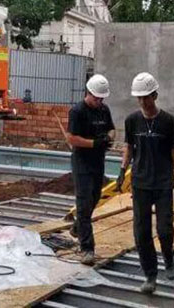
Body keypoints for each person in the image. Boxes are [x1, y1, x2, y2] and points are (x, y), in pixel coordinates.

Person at [117, 72, 174, 294]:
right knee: (141, 232)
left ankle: (169, 256)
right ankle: (150, 275)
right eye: (139, 98)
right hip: (140, 184)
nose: (142, 101)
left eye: (146, 97)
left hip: (163, 183)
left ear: (155, 95)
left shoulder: (168, 122)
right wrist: (122, 171)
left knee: (164, 229)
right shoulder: (132, 121)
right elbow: (128, 147)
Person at [65, 73, 115, 265]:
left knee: (94, 198)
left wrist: (108, 138)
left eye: (102, 98)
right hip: (82, 162)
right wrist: (94, 143)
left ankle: (78, 227)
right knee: (84, 202)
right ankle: (87, 248)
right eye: (97, 98)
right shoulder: (77, 112)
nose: (99, 101)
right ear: (88, 93)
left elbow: (112, 128)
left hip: (98, 161)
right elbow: (71, 138)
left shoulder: (104, 110)